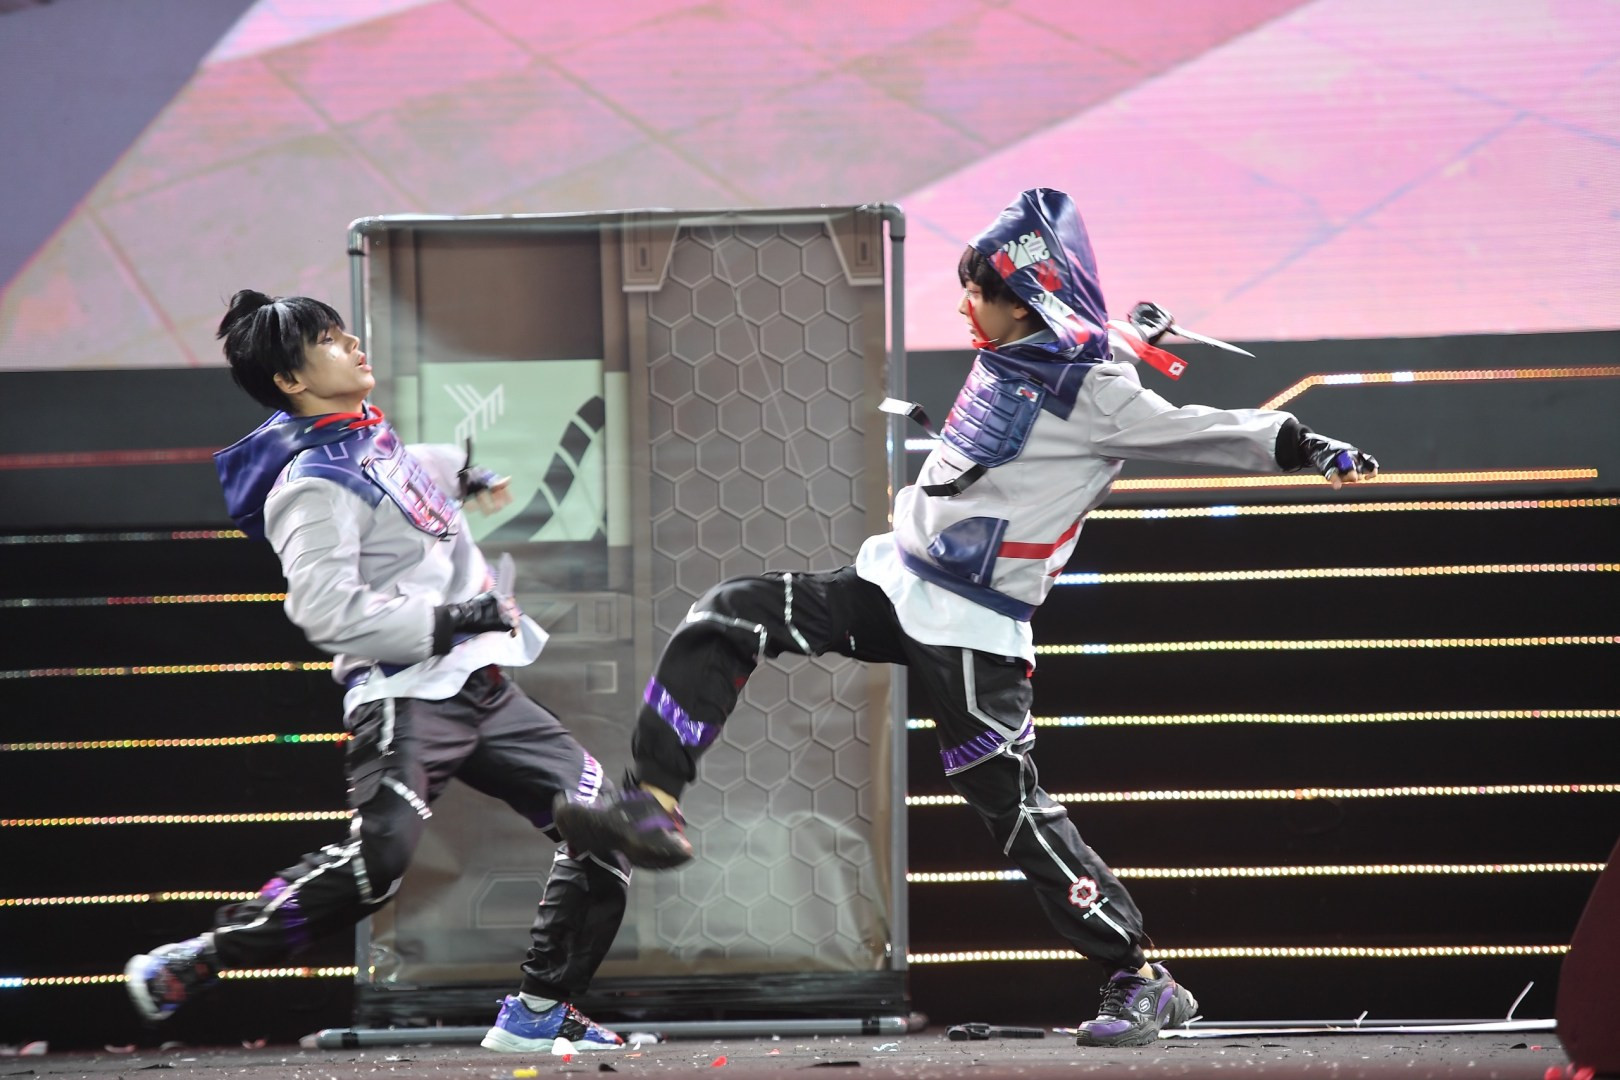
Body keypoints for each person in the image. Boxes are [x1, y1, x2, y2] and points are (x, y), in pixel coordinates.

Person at [554, 189, 1379, 1047]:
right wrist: (1127, 333)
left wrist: (1306, 445)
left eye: (977, 291)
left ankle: (1141, 976)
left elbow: (1201, 429)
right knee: (729, 614)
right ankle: (652, 801)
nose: (962, 306)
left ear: (1025, 301)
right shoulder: (1030, 346)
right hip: (893, 583)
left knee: (1014, 815)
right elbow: (1088, 338)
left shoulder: (1096, 394)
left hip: (973, 632)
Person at [124, 290, 629, 1053]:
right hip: (406, 700)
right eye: (331, 339)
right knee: (377, 866)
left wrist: (463, 474)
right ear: (292, 380)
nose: (354, 343)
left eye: (343, 331)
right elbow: (326, 610)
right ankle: (200, 958)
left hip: (485, 687)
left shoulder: (364, 436)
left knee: (603, 829)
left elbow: (406, 470)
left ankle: (537, 1012)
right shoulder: (310, 487)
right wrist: (451, 619)